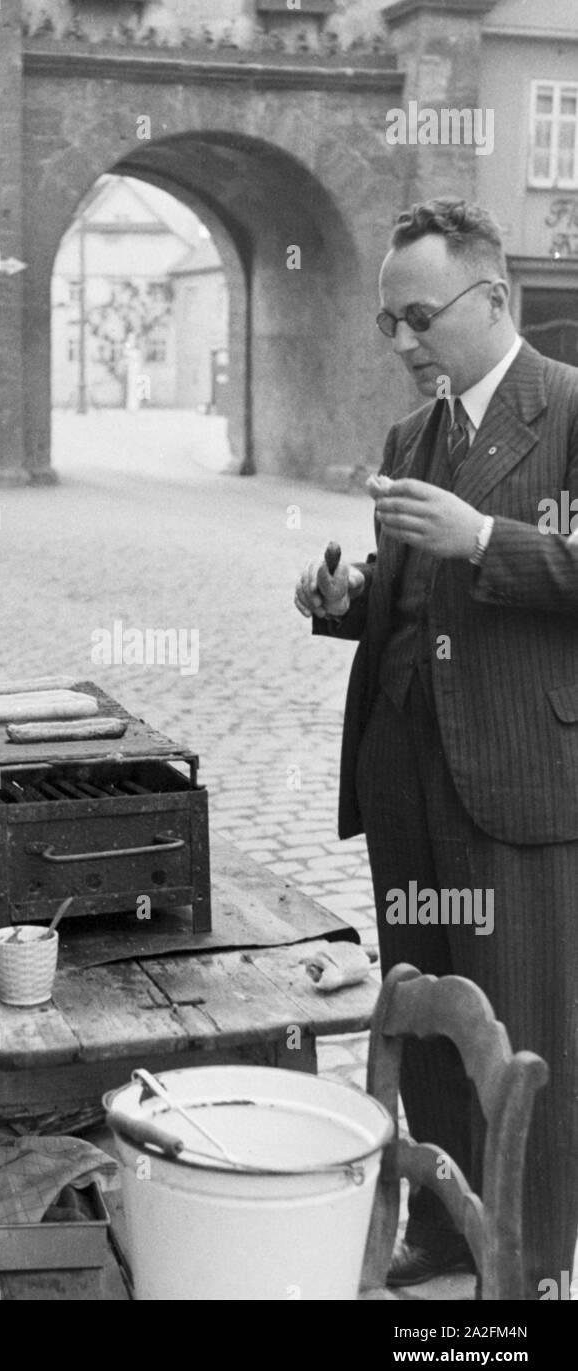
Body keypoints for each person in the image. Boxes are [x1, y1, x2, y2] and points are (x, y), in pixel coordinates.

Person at [294, 198, 578, 1298]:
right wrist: (344, 597)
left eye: (419, 317)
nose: (404, 342)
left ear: (492, 298)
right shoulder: (414, 434)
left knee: (524, 1023)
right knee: (423, 1010)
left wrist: (488, 541)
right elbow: (410, 603)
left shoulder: (567, 411)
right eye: (387, 325)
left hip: (517, 778)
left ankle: (539, 1258)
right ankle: (453, 1230)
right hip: (406, 776)